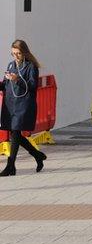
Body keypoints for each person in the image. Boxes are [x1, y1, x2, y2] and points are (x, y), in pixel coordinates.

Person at [1, 40, 47, 176]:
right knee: (15, 135)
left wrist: (17, 79)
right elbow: (5, 85)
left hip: (23, 104)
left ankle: (10, 166)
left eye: (18, 53)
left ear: (24, 53)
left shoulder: (31, 66)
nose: (15, 56)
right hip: (10, 103)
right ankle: (37, 155)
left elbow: (33, 86)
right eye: (13, 53)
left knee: (15, 132)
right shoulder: (11, 65)